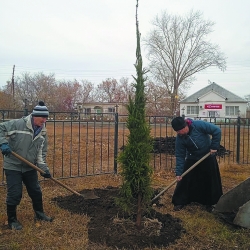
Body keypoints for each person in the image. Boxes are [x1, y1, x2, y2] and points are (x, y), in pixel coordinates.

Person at [0, 101, 53, 230]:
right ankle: (12, 220)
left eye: (46, 118)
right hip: (13, 166)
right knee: (15, 193)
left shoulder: (42, 133)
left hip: (29, 167)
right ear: (35, 116)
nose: (45, 120)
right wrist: (3, 143)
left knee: (35, 191)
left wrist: (44, 169)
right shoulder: (18, 124)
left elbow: (40, 154)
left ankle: (39, 214)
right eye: (43, 117)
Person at [171, 116, 223, 212]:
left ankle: (210, 203)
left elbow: (217, 130)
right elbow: (180, 155)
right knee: (185, 179)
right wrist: (179, 173)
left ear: (185, 126)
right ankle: (180, 201)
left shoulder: (198, 125)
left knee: (209, 180)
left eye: (180, 130)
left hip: (207, 156)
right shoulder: (180, 138)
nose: (179, 133)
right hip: (192, 157)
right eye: (177, 131)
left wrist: (214, 146)